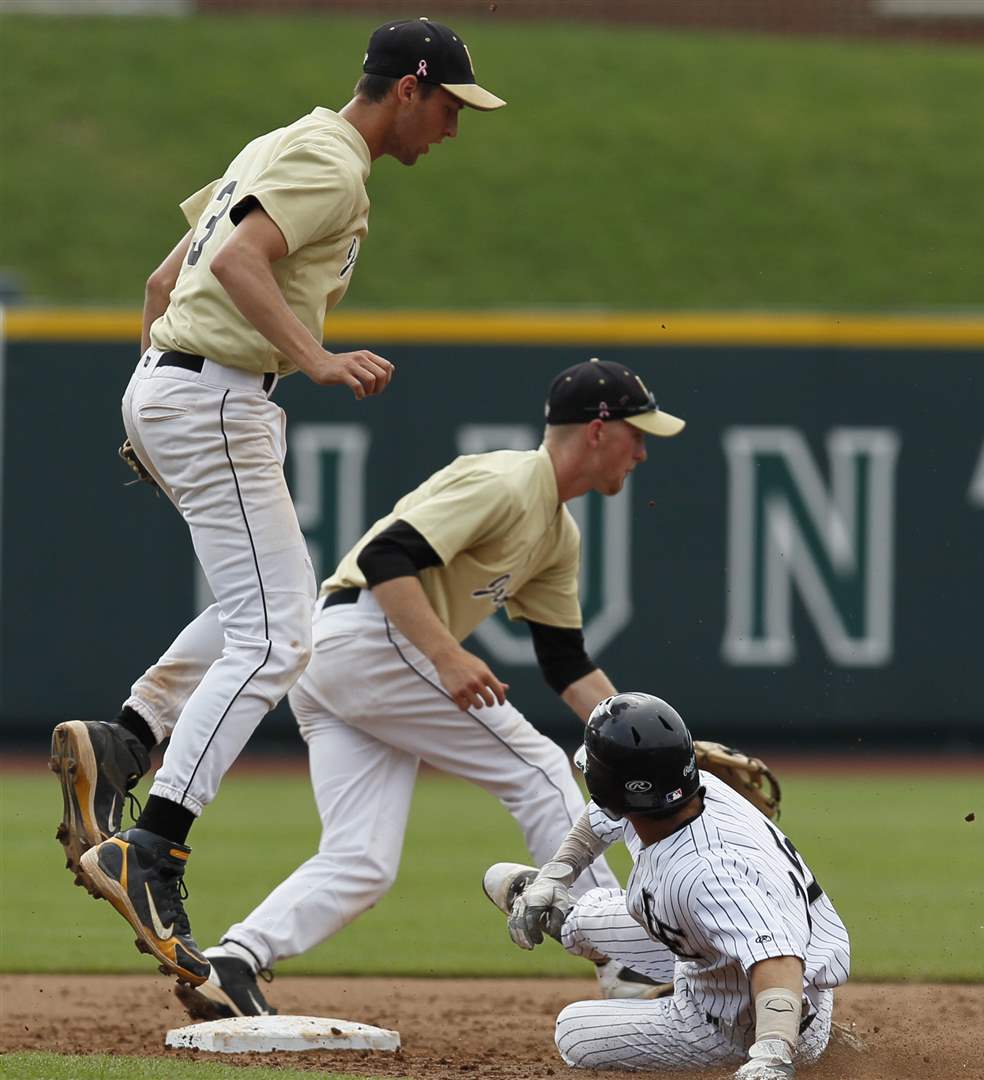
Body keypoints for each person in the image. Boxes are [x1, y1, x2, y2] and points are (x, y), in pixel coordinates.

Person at [49, 17, 506, 988]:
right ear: (409, 90)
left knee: (276, 606)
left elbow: (163, 276)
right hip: (216, 394)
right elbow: (233, 264)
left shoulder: (280, 140)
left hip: (181, 385)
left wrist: (151, 391)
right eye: (452, 106)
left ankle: (130, 734)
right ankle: (153, 844)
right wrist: (319, 359)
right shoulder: (332, 164)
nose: (456, 129)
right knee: (276, 639)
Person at [167, 358, 686, 1019]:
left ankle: (233, 960)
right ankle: (628, 958)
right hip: (369, 638)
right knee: (538, 769)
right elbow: (386, 555)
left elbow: (567, 665)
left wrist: (655, 744)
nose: (643, 451)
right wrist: (445, 656)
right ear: (597, 430)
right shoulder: (509, 480)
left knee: (362, 860)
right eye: (637, 434)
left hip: (342, 663)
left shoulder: (557, 532)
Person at [482, 692, 851, 1078]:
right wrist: (556, 874)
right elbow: (599, 820)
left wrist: (772, 1054)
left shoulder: (707, 874)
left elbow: (778, 960)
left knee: (573, 1031)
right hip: (741, 956)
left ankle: (786, 1041)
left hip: (749, 1018)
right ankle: (565, 915)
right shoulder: (688, 792)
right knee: (604, 915)